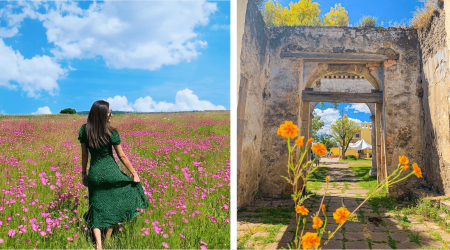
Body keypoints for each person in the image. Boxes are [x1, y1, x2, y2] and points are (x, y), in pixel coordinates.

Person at [78, 100, 148, 250]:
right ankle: (108, 238)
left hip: (95, 174)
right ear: (103, 114)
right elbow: (122, 156)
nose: (112, 114)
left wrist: (84, 173)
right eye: (109, 112)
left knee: (96, 207)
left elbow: (84, 155)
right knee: (114, 205)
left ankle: (99, 245)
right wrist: (134, 173)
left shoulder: (84, 130)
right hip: (111, 172)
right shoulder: (111, 132)